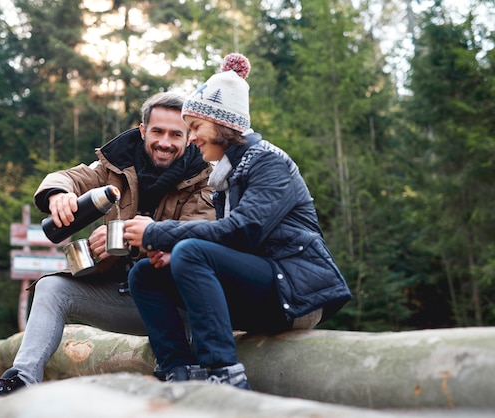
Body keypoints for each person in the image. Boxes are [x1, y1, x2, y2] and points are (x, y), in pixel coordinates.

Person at [0, 92, 215, 395]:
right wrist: (58, 194)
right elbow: (70, 177)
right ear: (143, 131)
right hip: (123, 297)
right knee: (51, 287)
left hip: (176, 306)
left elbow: (197, 236)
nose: (165, 141)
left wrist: (125, 236)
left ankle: (182, 377)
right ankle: (19, 382)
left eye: (175, 134)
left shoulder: (206, 178)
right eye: (157, 131)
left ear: (189, 137)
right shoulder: (115, 166)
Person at [123, 53, 352, 390]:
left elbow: (242, 233)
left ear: (221, 124)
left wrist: (158, 233)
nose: (192, 138)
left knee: (189, 252)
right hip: (261, 288)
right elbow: (226, 247)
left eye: (196, 127)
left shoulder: (269, 163)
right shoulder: (227, 177)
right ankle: (180, 370)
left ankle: (223, 373)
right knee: (145, 273)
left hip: (295, 293)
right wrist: (174, 258)